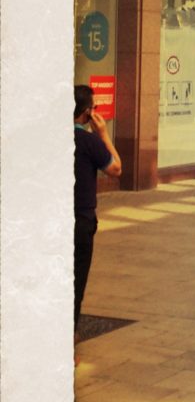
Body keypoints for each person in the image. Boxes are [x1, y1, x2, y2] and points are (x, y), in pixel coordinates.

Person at [74, 85, 122, 339]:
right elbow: (116, 169)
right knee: (76, 282)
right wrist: (103, 134)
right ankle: (67, 343)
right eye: (93, 108)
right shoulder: (88, 141)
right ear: (86, 113)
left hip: (56, 220)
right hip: (81, 218)